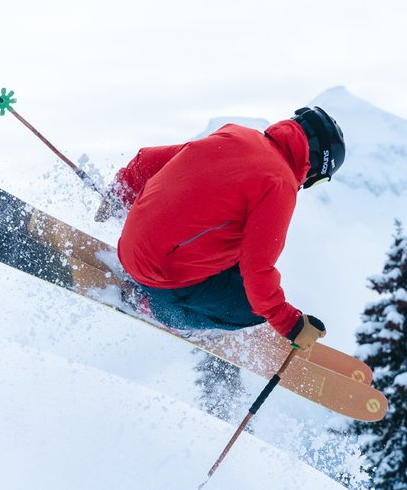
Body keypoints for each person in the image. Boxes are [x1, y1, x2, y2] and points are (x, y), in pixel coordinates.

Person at [95, 106, 345, 350]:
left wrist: (118, 194)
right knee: (253, 310)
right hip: (161, 276)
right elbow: (258, 268)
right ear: (315, 167)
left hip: (128, 246)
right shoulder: (279, 183)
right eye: (319, 180)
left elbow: (147, 161)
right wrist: (291, 324)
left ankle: (154, 287)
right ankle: (152, 308)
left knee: (235, 249)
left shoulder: (236, 134)